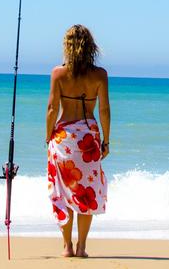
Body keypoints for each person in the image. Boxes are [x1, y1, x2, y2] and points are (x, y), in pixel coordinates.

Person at [45, 24, 111, 258]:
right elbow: (104, 109)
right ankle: (82, 246)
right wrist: (106, 140)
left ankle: (67, 247)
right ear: (90, 46)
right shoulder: (99, 75)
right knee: (86, 192)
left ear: (67, 46)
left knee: (63, 192)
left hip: (63, 139)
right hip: (88, 139)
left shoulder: (58, 74)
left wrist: (48, 136)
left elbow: (52, 108)